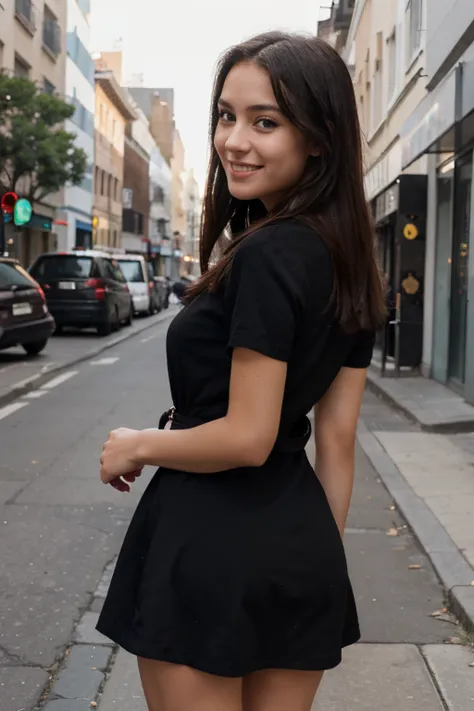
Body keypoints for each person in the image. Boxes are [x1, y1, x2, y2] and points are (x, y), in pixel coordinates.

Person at [97, 32, 386, 711]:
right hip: (301, 547)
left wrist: (137, 442)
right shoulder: (353, 262)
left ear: (319, 138)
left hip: (208, 545)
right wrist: (317, 559)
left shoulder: (266, 255)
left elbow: (248, 435)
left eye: (266, 122)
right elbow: (336, 440)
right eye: (227, 116)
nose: (235, 140)